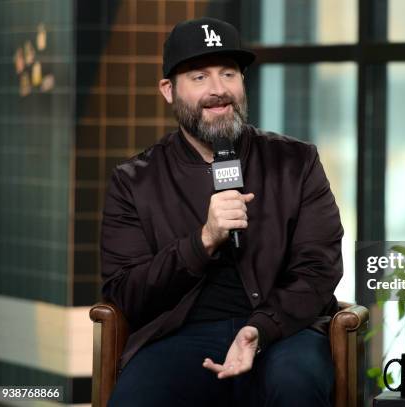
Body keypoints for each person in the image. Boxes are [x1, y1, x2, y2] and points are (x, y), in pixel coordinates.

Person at [100, 17, 343, 406]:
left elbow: (319, 267)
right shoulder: (134, 181)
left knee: (295, 386)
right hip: (178, 336)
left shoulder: (296, 162)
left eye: (228, 74)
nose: (218, 91)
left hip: (282, 330)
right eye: (199, 77)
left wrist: (259, 329)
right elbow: (127, 292)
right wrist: (203, 241)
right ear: (168, 90)